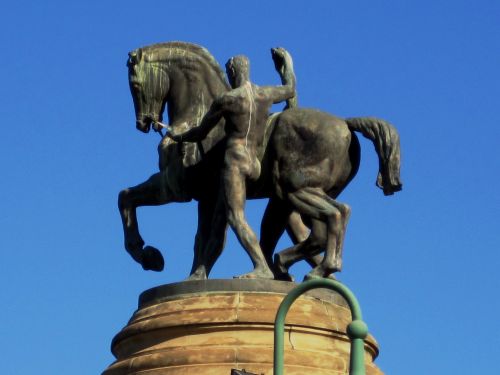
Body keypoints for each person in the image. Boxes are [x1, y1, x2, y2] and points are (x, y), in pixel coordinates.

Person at [167, 47, 296, 278]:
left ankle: (262, 267)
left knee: (235, 218)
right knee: (220, 217)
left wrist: (177, 136)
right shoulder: (265, 94)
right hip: (254, 163)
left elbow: (200, 132)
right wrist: (287, 65)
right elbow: (290, 89)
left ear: (233, 72)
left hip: (234, 160)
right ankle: (201, 270)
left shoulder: (228, 100)